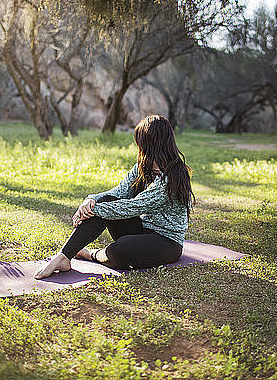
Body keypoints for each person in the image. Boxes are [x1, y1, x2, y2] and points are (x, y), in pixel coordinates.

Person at [34, 115, 195, 279]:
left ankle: (92, 254)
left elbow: (134, 206)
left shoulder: (172, 177)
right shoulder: (143, 166)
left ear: (152, 143)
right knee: (106, 202)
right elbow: (119, 192)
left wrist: (94, 210)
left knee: (121, 249)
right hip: (140, 229)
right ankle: (64, 257)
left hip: (166, 242)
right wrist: (91, 200)